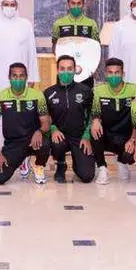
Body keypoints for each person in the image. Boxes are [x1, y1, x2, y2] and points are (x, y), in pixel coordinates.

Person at [0, 63, 51, 185]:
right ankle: (23, 160)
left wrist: (40, 131)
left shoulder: (37, 95)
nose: (18, 80)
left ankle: (38, 166)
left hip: (33, 140)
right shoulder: (0, 97)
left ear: (26, 77)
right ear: (9, 77)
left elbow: (46, 122)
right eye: (14, 76)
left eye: (21, 76)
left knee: (46, 143)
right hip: (13, 144)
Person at [44, 55, 94, 184]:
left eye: (69, 69)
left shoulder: (85, 91)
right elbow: (45, 116)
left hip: (79, 137)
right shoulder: (48, 93)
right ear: (57, 70)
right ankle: (61, 165)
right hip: (59, 136)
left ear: (74, 70)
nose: (66, 72)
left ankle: (78, 164)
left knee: (87, 176)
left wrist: (86, 136)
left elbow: (92, 115)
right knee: (57, 143)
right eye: (62, 69)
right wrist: (53, 129)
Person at [91, 57, 136, 183]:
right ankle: (102, 167)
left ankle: (122, 161)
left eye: (117, 72)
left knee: (130, 155)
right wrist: (96, 121)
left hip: (126, 136)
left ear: (123, 74)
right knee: (94, 131)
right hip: (107, 135)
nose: (113, 76)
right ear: (105, 74)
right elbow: (95, 113)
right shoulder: (98, 91)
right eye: (110, 72)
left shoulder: (135, 90)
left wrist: (133, 139)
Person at [0, 0, 39, 94]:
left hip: (20, 77)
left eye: (12, 5)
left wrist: (32, 77)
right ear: (1, 6)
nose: (9, 8)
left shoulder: (25, 25)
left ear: (17, 7)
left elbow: (31, 53)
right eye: (6, 4)